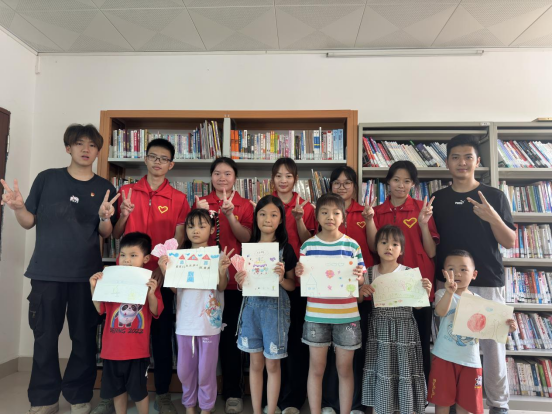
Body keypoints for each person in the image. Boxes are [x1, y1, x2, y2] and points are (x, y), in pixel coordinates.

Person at [1, 124, 118, 415]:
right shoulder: (47, 179)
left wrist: (105, 217)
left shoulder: (106, 187)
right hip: (46, 273)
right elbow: (29, 222)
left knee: (84, 338)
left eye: (92, 145)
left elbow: (105, 233)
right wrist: (18, 207)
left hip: (87, 276)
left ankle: (79, 395)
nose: (86, 149)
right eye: (79, 143)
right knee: (44, 337)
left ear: (98, 151)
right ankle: (44, 398)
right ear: (68, 148)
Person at [94, 138, 191, 415]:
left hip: (160, 277)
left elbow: (180, 239)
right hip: (126, 276)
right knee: (117, 333)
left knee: (161, 338)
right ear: (145, 159)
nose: (158, 162)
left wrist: (162, 269)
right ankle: (110, 394)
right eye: (153, 156)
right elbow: (115, 234)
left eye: (164, 159)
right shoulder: (126, 192)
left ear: (171, 165)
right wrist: (123, 216)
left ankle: (163, 394)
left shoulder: (179, 198)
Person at [431, 135, 516, 414]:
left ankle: (498, 404)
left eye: (468, 157)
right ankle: (452, 401)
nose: (462, 162)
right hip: (449, 284)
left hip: (487, 280)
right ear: (447, 162)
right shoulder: (438, 199)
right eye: (455, 157)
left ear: (477, 161)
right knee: (450, 343)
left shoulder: (495, 196)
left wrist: (493, 217)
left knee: (492, 346)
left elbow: (510, 242)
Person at [365, 160, 439, 383]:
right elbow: (373, 247)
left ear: (413, 184)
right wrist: (370, 220)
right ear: (388, 182)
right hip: (387, 288)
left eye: (407, 181)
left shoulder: (421, 209)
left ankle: (419, 393)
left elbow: (431, 251)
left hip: (416, 286)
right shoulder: (378, 211)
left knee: (419, 344)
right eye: (396, 179)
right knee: (387, 345)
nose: (401, 185)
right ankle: (390, 391)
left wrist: (423, 224)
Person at [193, 157, 254, 414]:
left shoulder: (245, 205)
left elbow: (247, 238)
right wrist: (198, 212)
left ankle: (232, 393)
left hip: (233, 283)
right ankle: (200, 393)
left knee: (231, 341)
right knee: (203, 339)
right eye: (217, 173)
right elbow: (191, 238)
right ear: (211, 177)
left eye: (227, 173)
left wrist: (230, 215)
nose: (222, 178)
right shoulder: (201, 203)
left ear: (235, 178)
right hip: (203, 283)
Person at [295, 193, 365, 415]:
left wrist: (359, 276)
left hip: (347, 316)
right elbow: (304, 282)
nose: (330, 217)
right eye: (324, 212)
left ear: (343, 217)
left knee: (345, 369)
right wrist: (299, 272)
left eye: (336, 212)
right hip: (316, 316)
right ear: (316, 216)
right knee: (316, 369)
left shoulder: (352, 245)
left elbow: (361, 280)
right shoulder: (308, 246)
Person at [158, 209, 233, 415]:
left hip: (209, 324)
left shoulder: (217, 255)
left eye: (201, 226)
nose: (195, 231)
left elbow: (221, 287)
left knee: (206, 370)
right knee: (184, 369)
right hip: (186, 322)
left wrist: (222, 270)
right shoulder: (179, 257)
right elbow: (176, 290)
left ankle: (206, 407)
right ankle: (189, 405)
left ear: (212, 229)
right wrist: (165, 271)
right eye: (191, 226)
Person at [429, 250, 518, 414]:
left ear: (474, 274)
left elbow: (491, 329)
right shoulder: (442, 294)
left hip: (470, 360)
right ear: (444, 273)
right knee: (442, 402)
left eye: (463, 269)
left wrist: (507, 328)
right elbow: (440, 312)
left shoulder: (480, 302)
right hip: (444, 358)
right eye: (451, 269)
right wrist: (449, 292)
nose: (457, 273)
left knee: (466, 404)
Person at [235, 195, 298, 414]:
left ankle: (270, 410)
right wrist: (240, 281)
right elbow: (243, 286)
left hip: (276, 314)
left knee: (273, 364)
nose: (267, 219)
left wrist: (281, 280)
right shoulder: (247, 249)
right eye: (262, 214)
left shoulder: (286, 250)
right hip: (251, 312)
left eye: (273, 214)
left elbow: (292, 285)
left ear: (281, 220)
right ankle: (256, 410)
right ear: (256, 218)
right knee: (255, 364)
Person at [321, 166, 375, 414]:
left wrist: (370, 220)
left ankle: (354, 404)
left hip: (357, 292)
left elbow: (373, 247)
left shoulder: (365, 212)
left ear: (355, 186)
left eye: (347, 183)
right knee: (328, 352)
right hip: (327, 295)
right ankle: (329, 402)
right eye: (337, 183)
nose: (342, 187)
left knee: (354, 351)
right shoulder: (324, 212)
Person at [361, 225, 431, 415]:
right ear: (376, 246)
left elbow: (418, 306)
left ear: (402, 250)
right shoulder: (369, 272)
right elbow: (359, 300)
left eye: (395, 244)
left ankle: (406, 407)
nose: (389, 247)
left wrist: (425, 292)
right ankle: (381, 407)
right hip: (380, 330)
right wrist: (361, 292)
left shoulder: (408, 273)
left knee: (405, 368)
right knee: (381, 369)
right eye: (384, 242)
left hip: (404, 330)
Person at [90, 232, 163, 414]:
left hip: (137, 351)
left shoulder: (149, 283)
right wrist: (94, 288)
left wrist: (151, 294)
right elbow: (100, 309)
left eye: (133, 255)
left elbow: (155, 311)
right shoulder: (111, 281)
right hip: (112, 350)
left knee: (139, 391)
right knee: (117, 390)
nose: (126, 260)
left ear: (146, 258)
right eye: (122, 255)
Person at [270, 158, 316, 414]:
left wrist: (299, 220)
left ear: (295, 179)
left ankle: (293, 399)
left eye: (288, 175)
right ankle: (273, 397)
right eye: (279, 175)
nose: (283, 180)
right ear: (272, 179)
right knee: (274, 341)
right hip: (271, 282)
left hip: (299, 282)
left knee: (296, 342)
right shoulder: (267, 204)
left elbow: (311, 242)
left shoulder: (306, 207)